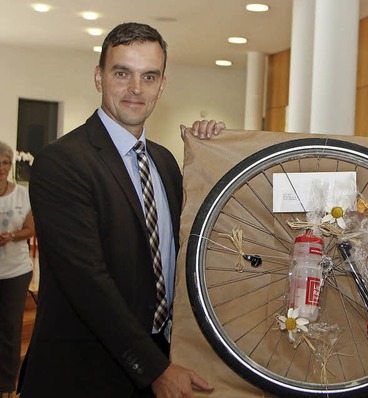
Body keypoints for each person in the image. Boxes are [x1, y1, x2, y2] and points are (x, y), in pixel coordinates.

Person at [19, 22, 225, 398]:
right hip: (84, 375)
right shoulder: (61, 162)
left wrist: (214, 153)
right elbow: (87, 282)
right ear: (99, 77)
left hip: (161, 359)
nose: (136, 89)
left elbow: (188, 250)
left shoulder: (164, 162)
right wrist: (154, 368)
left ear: (162, 85)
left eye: (149, 76)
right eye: (121, 73)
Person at [0, 142, 35, 398]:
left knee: (10, 330)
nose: (1, 167)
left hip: (15, 272)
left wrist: (11, 235)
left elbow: (30, 230)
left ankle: (8, 385)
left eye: (5, 162)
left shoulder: (23, 194)